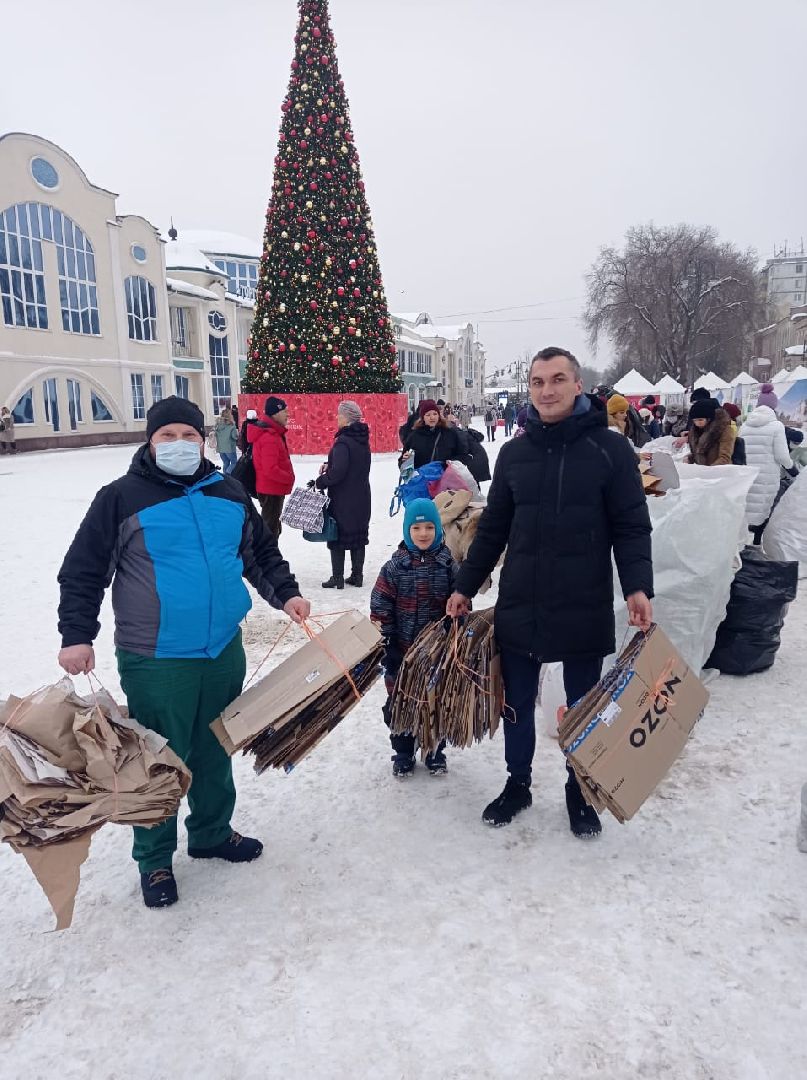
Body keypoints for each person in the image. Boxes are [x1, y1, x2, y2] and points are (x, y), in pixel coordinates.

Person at [56, 396, 311, 909]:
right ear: (149, 443)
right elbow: (83, 570)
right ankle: (154, 860)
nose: (178, 444)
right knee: (157, 758)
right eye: (166, 436)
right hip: (157, 657)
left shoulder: (229, 492)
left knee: (216, 746)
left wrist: (286, 593)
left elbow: (258, 552)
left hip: (221, 650)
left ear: (203, 439)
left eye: (188, 435)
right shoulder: (121, 499)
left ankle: (212, 832)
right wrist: (76, 634)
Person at [446, 347, 653, 836]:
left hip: (584, 601)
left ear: (578, 385)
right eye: (538, 382)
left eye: (558, 379)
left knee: (583, 708)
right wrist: (464, 586)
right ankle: (517, 783)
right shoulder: (514, 454)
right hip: (523, 600)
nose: (547, 390)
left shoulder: (610, 450)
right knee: (516, 702)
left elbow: (630, 525)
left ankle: (578, 790)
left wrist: (638, 587)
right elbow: (492, 529)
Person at [371, 498, 457, 778]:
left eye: (429, 527)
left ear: (438, 530)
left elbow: (461, 604)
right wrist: (388, 645)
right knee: (401, 702)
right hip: (403, 652)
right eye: (417, 527)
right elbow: (380, 606)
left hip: (438, 654)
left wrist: (454, 636)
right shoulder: (395, 567)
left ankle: (434, 750)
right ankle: (404, 752)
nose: (423, 533)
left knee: (437, 701)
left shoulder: (448, 565)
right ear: (407, 530)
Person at [315, 401, 372, 589]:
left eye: (339, 415)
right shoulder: (362, 440)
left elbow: (338, 472)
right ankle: (357, 576)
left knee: (337, 535)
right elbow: (353, 464)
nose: (337, 418)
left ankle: (337, 578)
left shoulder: (343, 442)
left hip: (343, 499)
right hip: (362, 496)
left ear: (347, 418)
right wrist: (329, 463)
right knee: (358, 537)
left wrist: (321, 481)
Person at [740, 403, 793, 544]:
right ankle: (756, 544)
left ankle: (742, 545)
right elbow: (781, 455)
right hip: (766, 476)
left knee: (746, 509)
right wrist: (792, 468)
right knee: (763, 510)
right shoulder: (776, 426)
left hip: (747, 475)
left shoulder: (744, 426)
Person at [248, 396, 295, 537]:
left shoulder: (272, 433)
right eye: (285, 411)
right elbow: (270, 469)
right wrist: (289, 478)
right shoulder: (269, 437)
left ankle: (269, 556)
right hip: (271, 489)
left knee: (272, 526)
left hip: (271, 488)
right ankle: (267, 558)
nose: (288, 414)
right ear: (275, 413)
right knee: (270, 531)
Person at [400, 399, 463, 469]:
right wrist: (405, 460)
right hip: (423, 478)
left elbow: (461, 455)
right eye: (428, 415)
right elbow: (403, 463)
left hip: (445, 478)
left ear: (439, 416)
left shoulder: (449, 433)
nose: (432, 417)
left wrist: (452, 462)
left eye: (435, 414)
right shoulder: (414, 436)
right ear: (422, 417)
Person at [685, 399, 735, 465]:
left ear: (709, 418)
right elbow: (697, 453)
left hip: (719, 472)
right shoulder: (694, 432)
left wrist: (709, 471)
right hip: (701, 472)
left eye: (700, 420)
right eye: (695, 420)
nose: (697, 423)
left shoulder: (724, 430)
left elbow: (725, 458)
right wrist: (689, 459)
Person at [214, 406, 239, 474]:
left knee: (226, 462)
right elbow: (234, 437)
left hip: (221, 448)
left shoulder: (218, 425)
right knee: (234, 463)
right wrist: (237, 435)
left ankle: (225, 477)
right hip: (229, 448)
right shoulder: (231, 425)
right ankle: (228, 474)